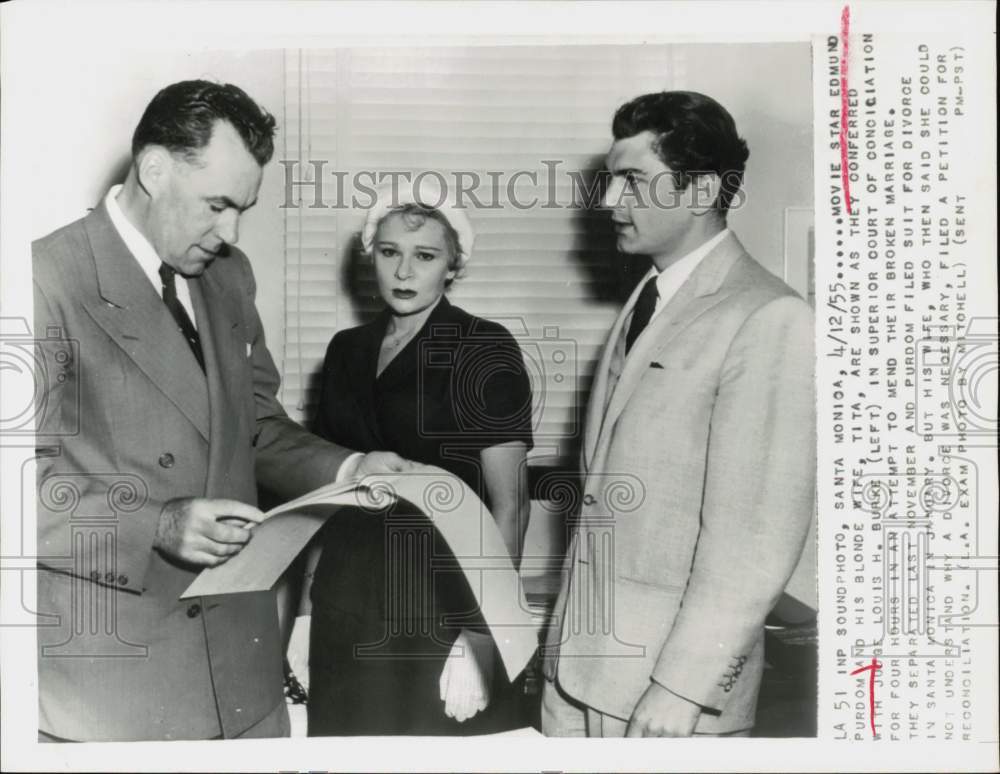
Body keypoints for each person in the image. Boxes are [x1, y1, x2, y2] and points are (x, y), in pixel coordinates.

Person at [31, 80, 410, 742]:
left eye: (243, 209)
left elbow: (257, 428)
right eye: (217, 205)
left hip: (243, 676)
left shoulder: (228, 278)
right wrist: (155, 523)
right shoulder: (43, 279)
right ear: (154, 169)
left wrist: (349, 467)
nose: (231, 232)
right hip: (115, 689)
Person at [541, 91, 816, 737]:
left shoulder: (769, 317)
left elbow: (755, 539)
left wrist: (682, 689)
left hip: (663, 702)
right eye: (612, 181)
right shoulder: (650, 297)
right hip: (579, 674)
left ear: (700, 192)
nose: (610, 202)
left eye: (634, 181)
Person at [289, 180, 534, 735]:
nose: (404, 273)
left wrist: (480, 634)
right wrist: (305, 611)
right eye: (390, 252)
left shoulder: (483, 348)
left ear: (452, 266)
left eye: (425, 256)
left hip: (440, 608)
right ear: (370, 254)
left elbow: (510, 505)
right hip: (344, 601)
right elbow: (326, 494)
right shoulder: (345, 350)